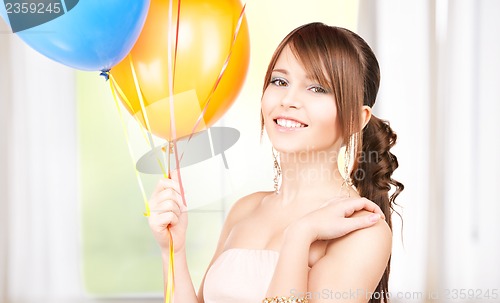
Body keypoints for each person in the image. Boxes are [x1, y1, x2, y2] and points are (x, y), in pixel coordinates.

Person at [147, 22, 404, 303]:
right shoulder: (244, 209)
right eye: (279, 81)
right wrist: (173, 251)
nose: (288, 99)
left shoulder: (363, 230)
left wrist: (299, 236)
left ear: (357, 118)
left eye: (317, 88)